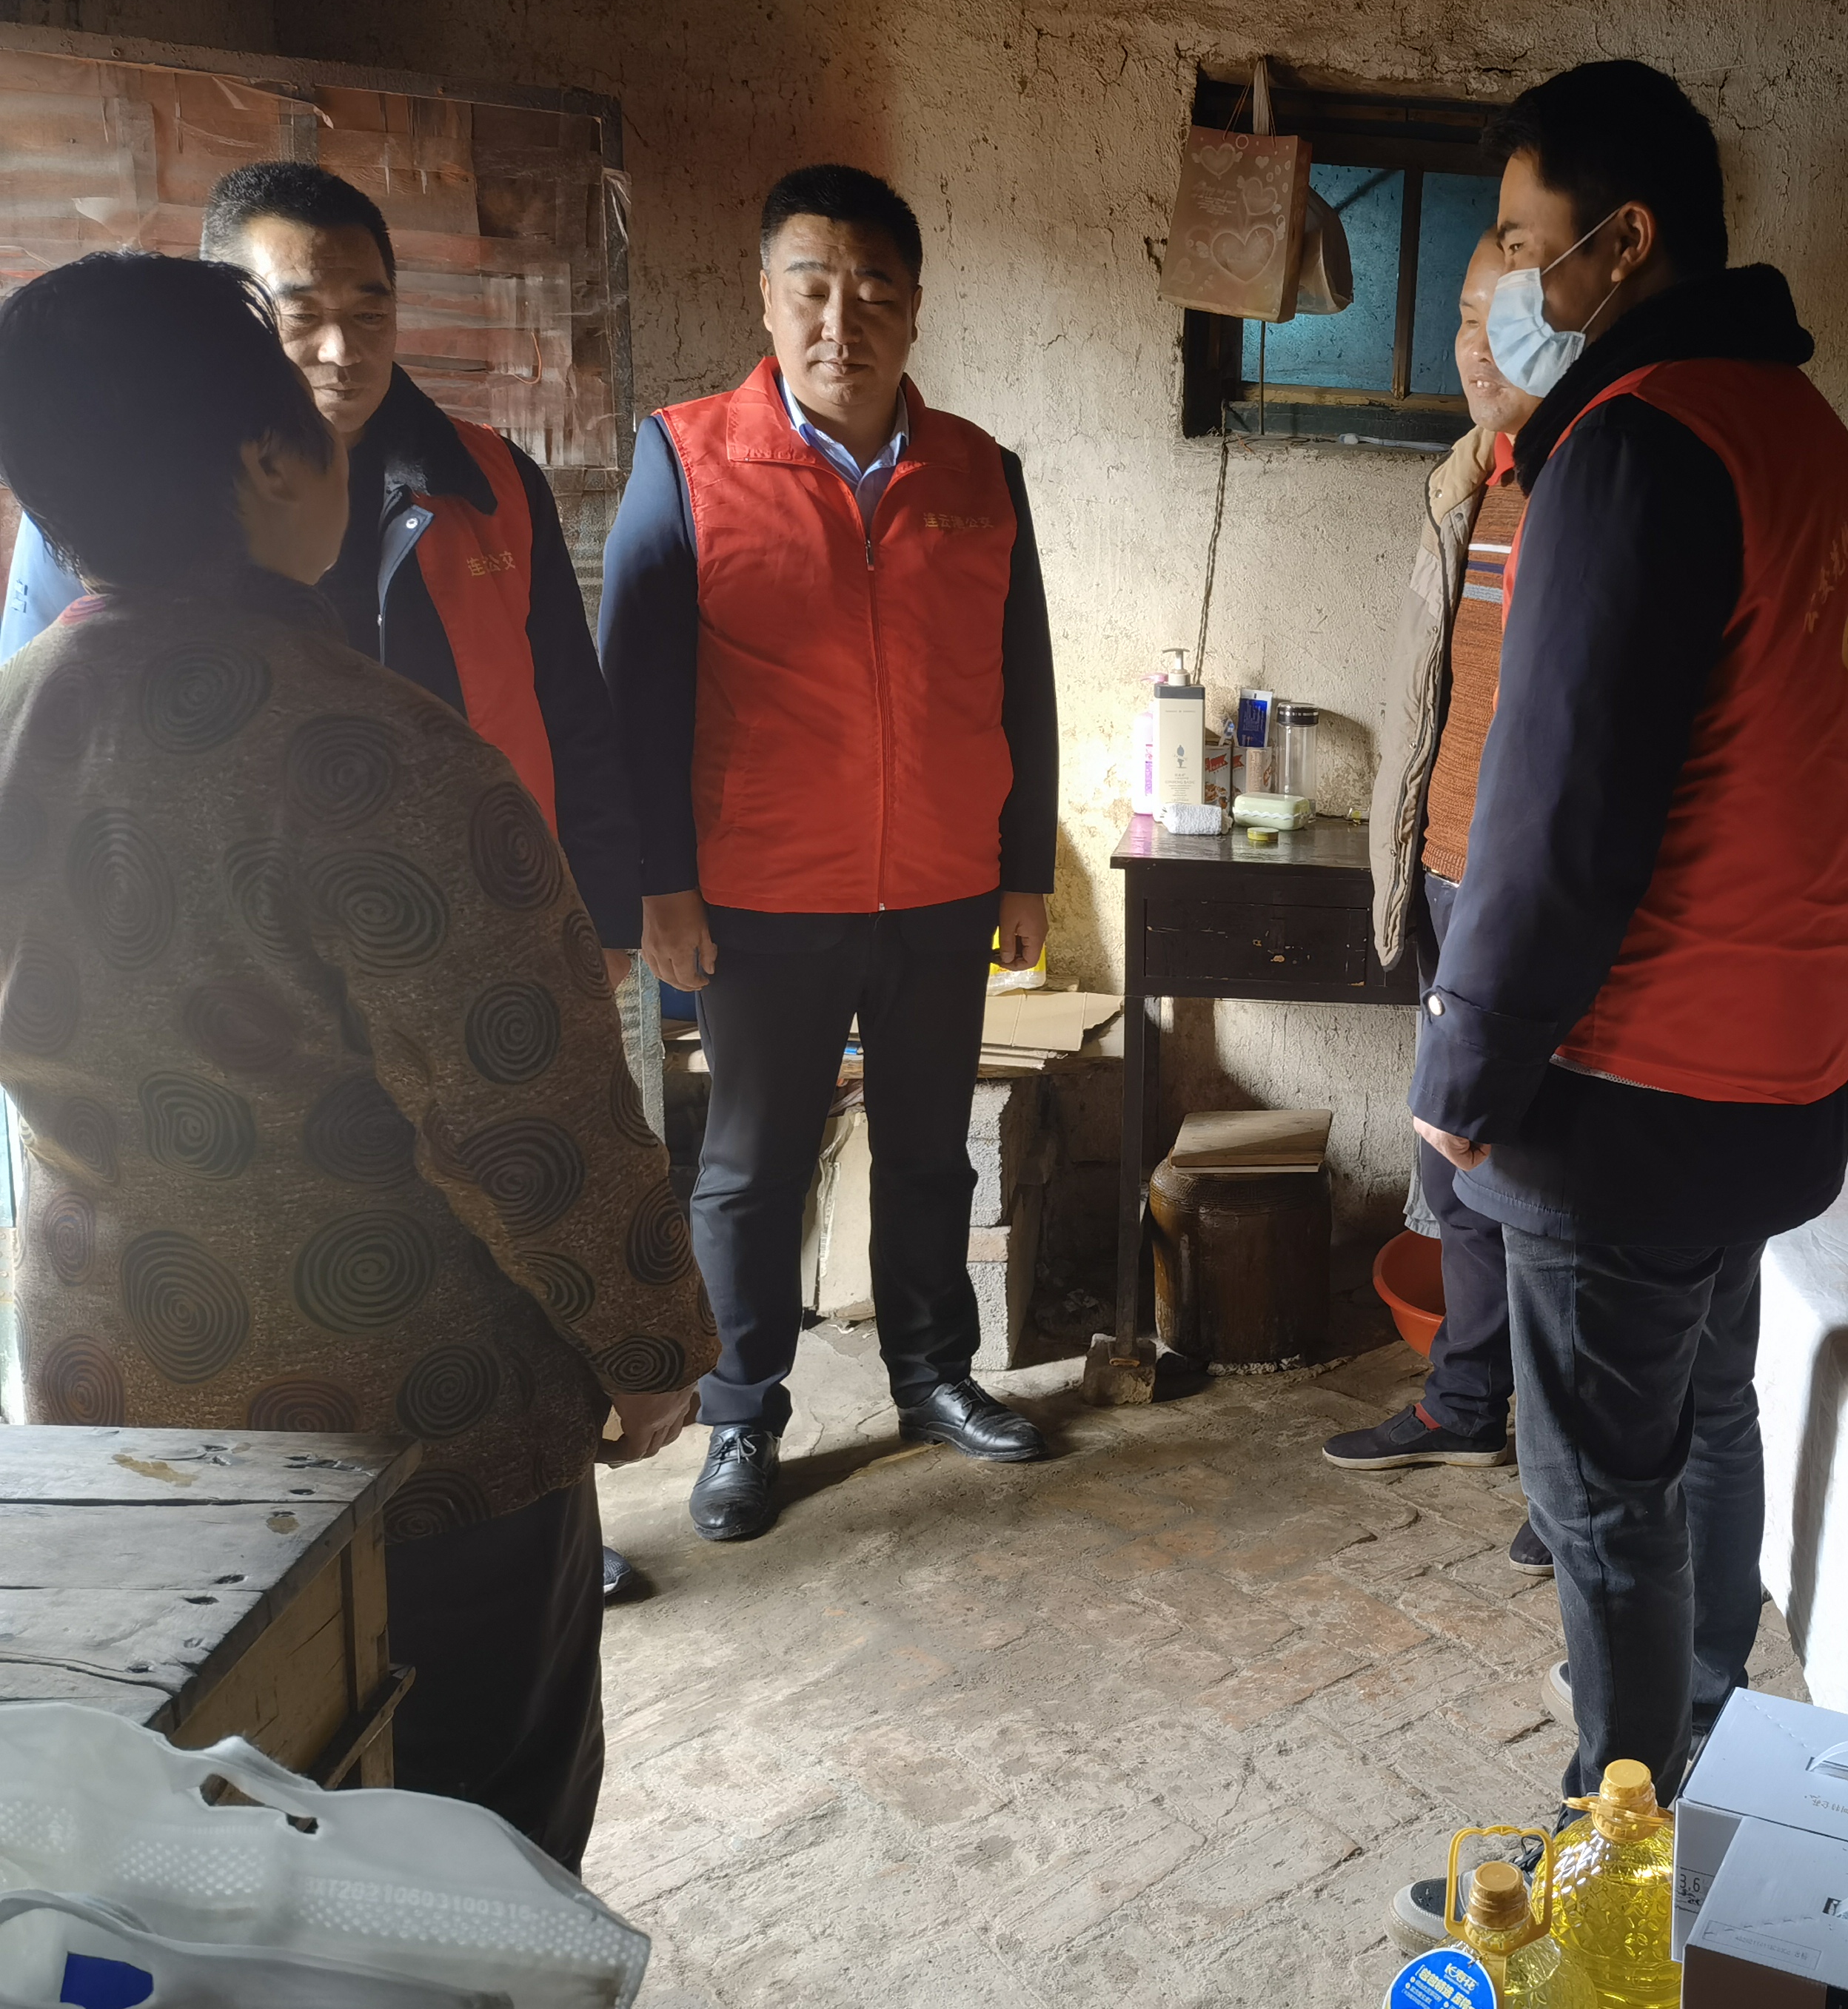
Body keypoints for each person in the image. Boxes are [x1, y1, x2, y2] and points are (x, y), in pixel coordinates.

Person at [0, 250, 714, 1871]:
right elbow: (529, 1117)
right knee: (466, 1847)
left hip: (117, 1407)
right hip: (416, 1429)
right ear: (269, 461)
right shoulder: (377, 758)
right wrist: (653, 1344)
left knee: (211, 1840)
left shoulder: (21, 722)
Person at [1406, 62, 1848, 1807]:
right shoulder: (1808, 439)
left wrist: (1465, 1071)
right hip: (1771, 1074)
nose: (1502, 278)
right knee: (1705, 1416)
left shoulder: (1633, 447)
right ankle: (1704, 1748)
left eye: (1521, 237)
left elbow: (1558, 818)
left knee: (1596, 1483)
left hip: (1626, 1088)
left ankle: (1616, 1831)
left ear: (1621, 244)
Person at [600, 164, 1059, 1544]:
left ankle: (932, 1375)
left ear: (914, 307)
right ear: (765, 296)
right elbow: (636, 699)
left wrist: (1023, 867)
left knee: (927, 1152)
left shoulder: (980, 474)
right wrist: (659, 884)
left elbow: (1022, 680)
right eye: (811, 286)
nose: (839, 321)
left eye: (873, 291)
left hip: (940, 886)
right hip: (761, 893)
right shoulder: (688, 458)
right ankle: (743, 1412)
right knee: (750, 1166)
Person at [1, 162, 644, 974]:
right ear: (228, 324)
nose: (343, 352)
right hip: (249, 953)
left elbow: (571, 707)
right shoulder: (118, 514)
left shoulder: (491, 480)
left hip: (486, 905)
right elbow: (57, 741)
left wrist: (607, 914)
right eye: (301, 316)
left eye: (371, 314)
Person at [1333, 234, 1546, 1573]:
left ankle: (1566, 1469)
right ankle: (1467, 1406)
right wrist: (1406, 863)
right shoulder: (1468, 477)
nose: (1475, 343)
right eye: (1463, 316)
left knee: (1542, 1187)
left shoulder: (1595, 482)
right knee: (1453, 1171)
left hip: (1531, 889)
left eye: (1504, 315)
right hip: (1446, 871)